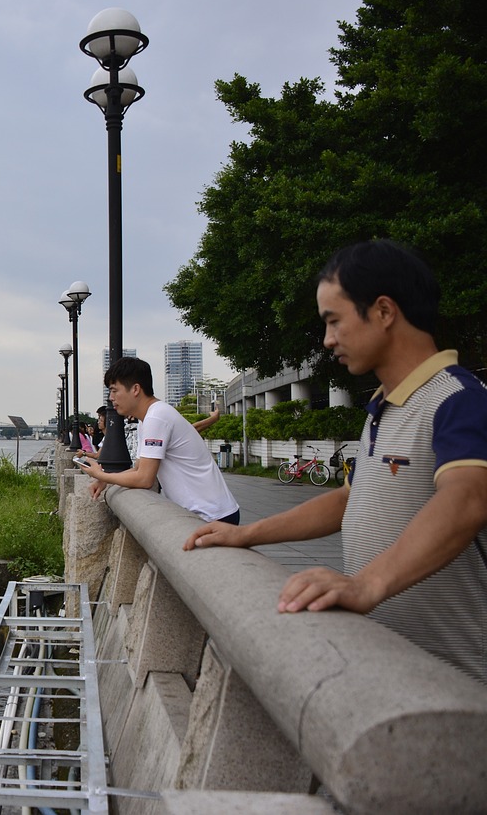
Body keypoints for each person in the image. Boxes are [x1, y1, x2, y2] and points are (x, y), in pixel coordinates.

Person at [184, 239, 487, 684]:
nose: (327, 340)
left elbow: (468, 498)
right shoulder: (385, 408)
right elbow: (348, 501)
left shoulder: (457, 400)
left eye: (334, 321)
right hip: (386, 663)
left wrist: (366, 584)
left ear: (384, 312)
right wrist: (246, 533)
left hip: (455, 682)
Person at [79, 356, 240, 524]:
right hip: (207, 513)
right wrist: (104, 479)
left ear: (135, 389)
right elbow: (139, 469)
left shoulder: (157, 417)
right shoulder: (147, 420)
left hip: (212, 515)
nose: (111, 398)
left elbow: (144, 479)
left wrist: (100, 473)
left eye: (114, 390)